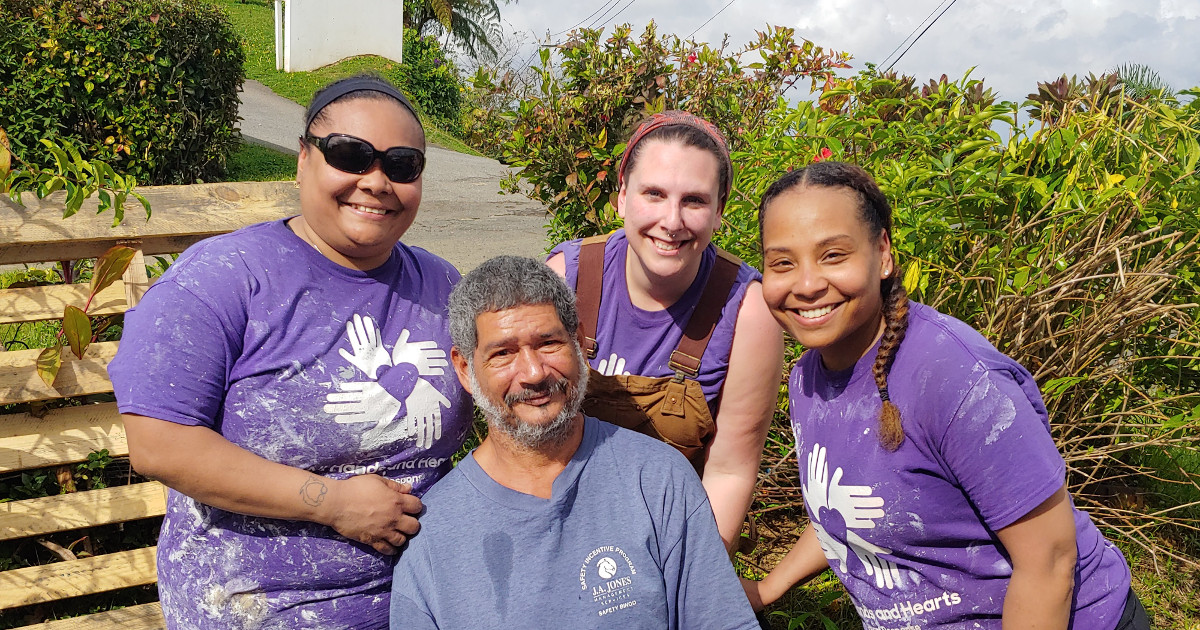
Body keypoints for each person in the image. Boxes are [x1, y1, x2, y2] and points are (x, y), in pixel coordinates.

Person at [107, 74, 473, 628]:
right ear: (303, 159)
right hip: (260, 605)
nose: (376, 181)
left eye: (401, 165)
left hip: (423, 597)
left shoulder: (443, 286)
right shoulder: (223, 279)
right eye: (351, 156)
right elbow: (159, 445)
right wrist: (334, 503)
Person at [742, 160, 1148, 629]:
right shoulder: (808, 379)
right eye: (783, 263)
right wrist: (769, 588)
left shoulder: (955, 380)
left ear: (884, 255)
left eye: (834, 255)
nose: (807, 284)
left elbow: (1050, 562)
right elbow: (850, 509)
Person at [389, 255, 759, 629]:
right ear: (466, 369)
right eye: (503, 353)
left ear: (580, 345)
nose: (533, 373)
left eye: (548, 343)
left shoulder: (658, 480)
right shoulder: (433, 531)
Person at [546, 111, 784, 551]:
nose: (671, 221)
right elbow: (520, 435)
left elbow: (729, 472)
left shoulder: (749, 312)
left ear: (719, 211)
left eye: (693, 200)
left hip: (667, 534)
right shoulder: (568, 279)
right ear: (620, 196)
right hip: (556, 518)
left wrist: (691, 579)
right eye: (653, 194)